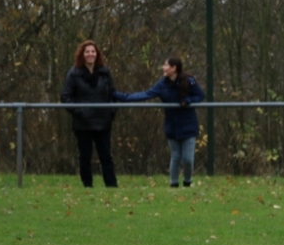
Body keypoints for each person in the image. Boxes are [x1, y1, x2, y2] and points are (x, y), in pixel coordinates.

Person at [113, 57, 206, 187]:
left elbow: (200, 96)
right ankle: (173, 184)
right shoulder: (162, 84)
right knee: (175, 156)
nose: (163, 67)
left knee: (188, 159)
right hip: (172, 126)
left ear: (174, 68)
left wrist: (188, 100)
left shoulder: (189, 81)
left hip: (188, 125)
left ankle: (187, 182)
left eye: (166, 65)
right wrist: (119, 96)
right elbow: (145, 95)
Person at [60, 40, 118, 187]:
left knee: (106, 156)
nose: (90, 54)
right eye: (87, 52)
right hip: (83, 123)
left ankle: (112, 186)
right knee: (85, 157)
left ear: (97, 54)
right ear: (82, 54)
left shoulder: (105, 73)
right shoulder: (74, 73)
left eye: (93, 51)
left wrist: (111, 112)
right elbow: (66, 97)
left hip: (103, 122)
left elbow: (113, 94)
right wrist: (79, 112)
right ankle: (87, 186)